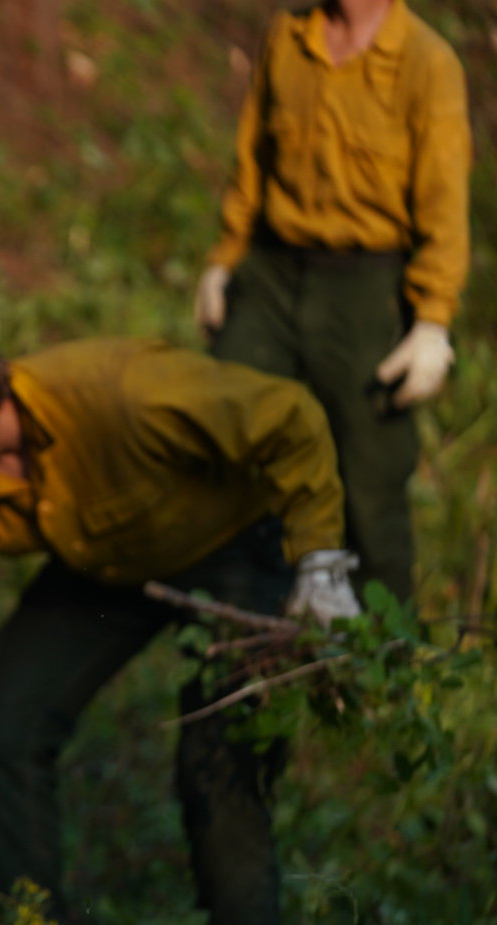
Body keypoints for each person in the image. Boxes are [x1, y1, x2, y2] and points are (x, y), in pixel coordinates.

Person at [0, 289, 361, 925]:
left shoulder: (120, 391)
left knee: (220, 756)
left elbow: (291, 416)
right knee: (5, 728)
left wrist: (319, 562)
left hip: (235, 542)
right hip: (107, 563)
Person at [194, 0, 471, 603]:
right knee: (228, 449)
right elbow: (251, 161)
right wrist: (223, 260)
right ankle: (234, 656)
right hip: (271, 271)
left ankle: (380, 675)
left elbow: (445, 205)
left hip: (367, 286)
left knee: (370, 484)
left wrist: (432, 320)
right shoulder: (288, 36)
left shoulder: (426, 63)